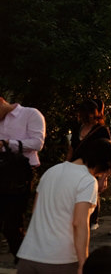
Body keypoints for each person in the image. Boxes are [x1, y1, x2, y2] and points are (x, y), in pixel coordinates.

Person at [16, 138, 111, 274]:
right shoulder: (87, 180)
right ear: (104, 163)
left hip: (28, 255)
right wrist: (83, 262)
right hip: (61, 259)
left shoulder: (51, 172)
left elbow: (36, 211)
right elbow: (80, 223)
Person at [0, 96, 46, 261]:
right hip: (2, 170)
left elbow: (37, 143)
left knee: (13, 223)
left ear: (1, 102)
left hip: (19, 173)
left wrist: (6, 143)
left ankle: (26, 259)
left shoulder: (30, 114)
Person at [69, 99, 111, 231]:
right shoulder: (77, 128)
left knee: (87, 199)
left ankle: (89, 221)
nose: (86, 116)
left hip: (92, 170)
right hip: (74, 168)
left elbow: (108, 155)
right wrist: (65, 166)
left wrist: (104, 178)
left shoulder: (101, 131)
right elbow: (71, 148)